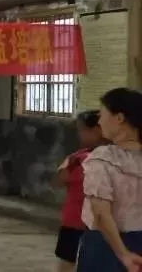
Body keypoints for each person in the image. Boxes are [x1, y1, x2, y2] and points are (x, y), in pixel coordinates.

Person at [76, 88, 142, 271]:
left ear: (119, 118)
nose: (99, 121)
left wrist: (123, 254)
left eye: (102, 114)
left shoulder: (103, 158)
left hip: (107, 245)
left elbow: (101, 214)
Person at [54, 110, 103, 272]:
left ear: (96, 130)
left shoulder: (112, 159)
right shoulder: (76, 157)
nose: (79, 135)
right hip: (73, 221)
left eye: (82, 130)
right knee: (67, 264)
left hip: (98, 224)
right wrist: (71, 165)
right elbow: (58, 182)